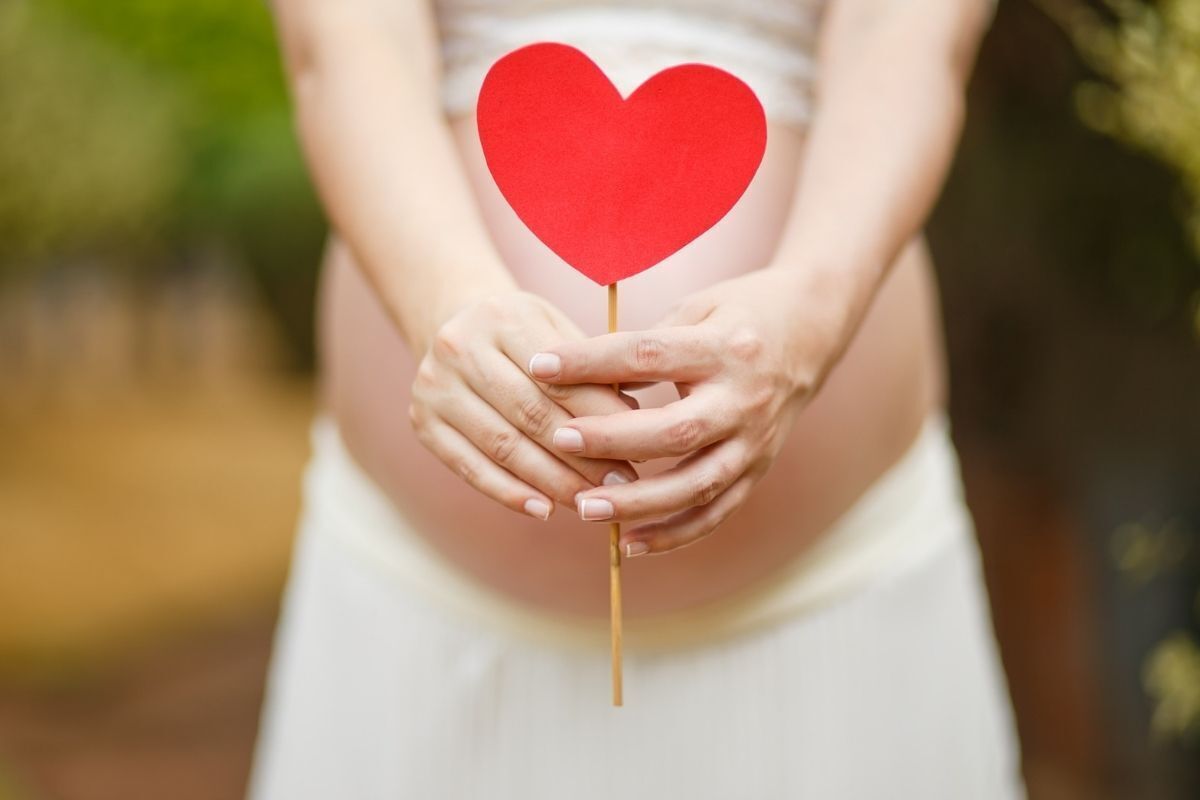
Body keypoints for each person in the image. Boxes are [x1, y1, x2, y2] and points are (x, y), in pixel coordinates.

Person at [252, 0, 1024, 797]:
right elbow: (342, 43)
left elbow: (908, 37)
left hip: (839, 601)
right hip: (420, 607)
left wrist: (815, 306)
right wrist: (442, 300)